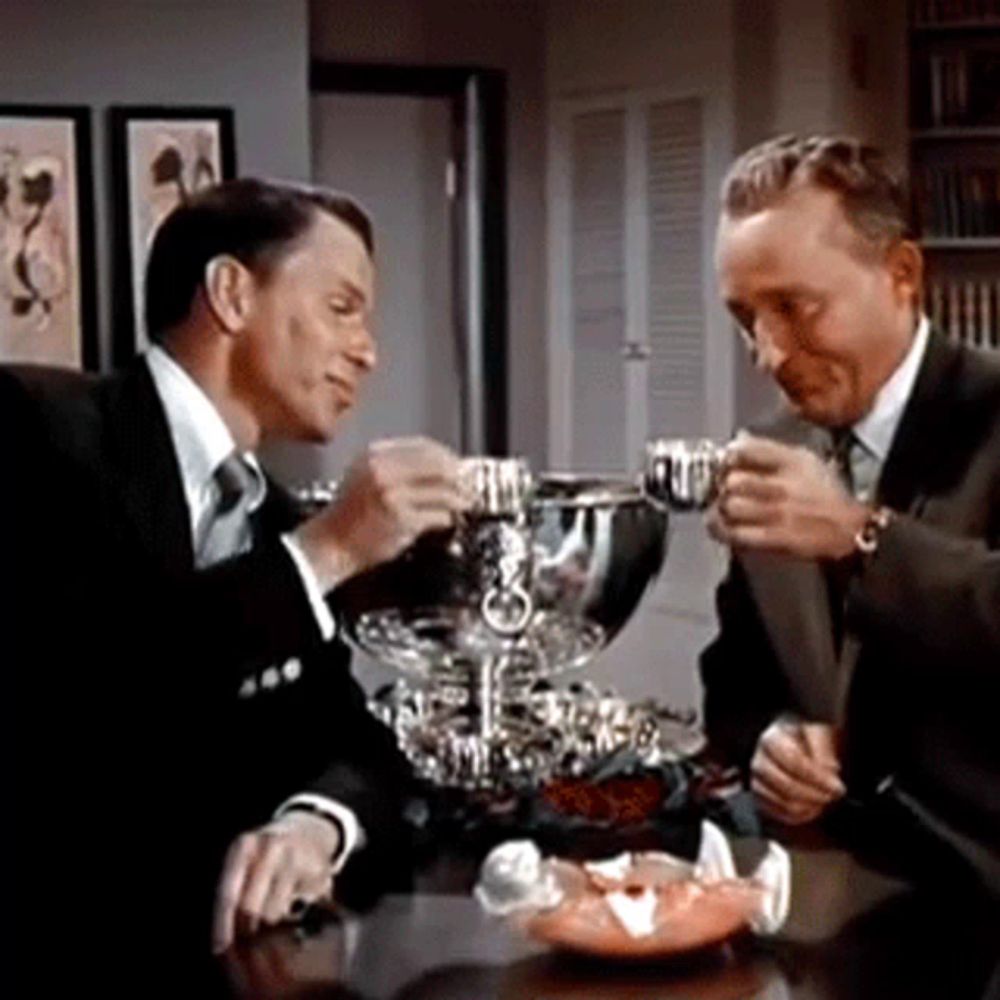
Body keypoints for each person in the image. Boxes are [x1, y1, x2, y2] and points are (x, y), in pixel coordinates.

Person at [4, 178, 467, 977]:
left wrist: (314, 824)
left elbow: (363, 756)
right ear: (231, 293)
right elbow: (86, 692)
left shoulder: (273, 522)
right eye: (342, 307)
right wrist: (329, 553)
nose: (368, 350)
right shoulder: (29, 427)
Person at [698, 134, 1000, 899]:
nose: (767, 355)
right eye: (745, 318)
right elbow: (734, 682)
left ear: (902, 274)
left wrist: (858, 535)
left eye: (795, 309)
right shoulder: (773, 450)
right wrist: (767, 741)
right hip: (828, 892)